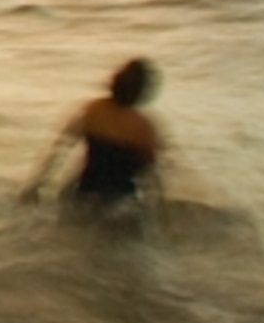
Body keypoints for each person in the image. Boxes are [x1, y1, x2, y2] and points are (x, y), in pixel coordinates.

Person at [23, 57, 165, 216]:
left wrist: (36, 184)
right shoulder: (143, 127)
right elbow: (153, 178)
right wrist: (162, 211)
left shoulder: (92, 111)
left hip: (83, 193)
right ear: (141, 92)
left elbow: (58, 151)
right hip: (121, 204)